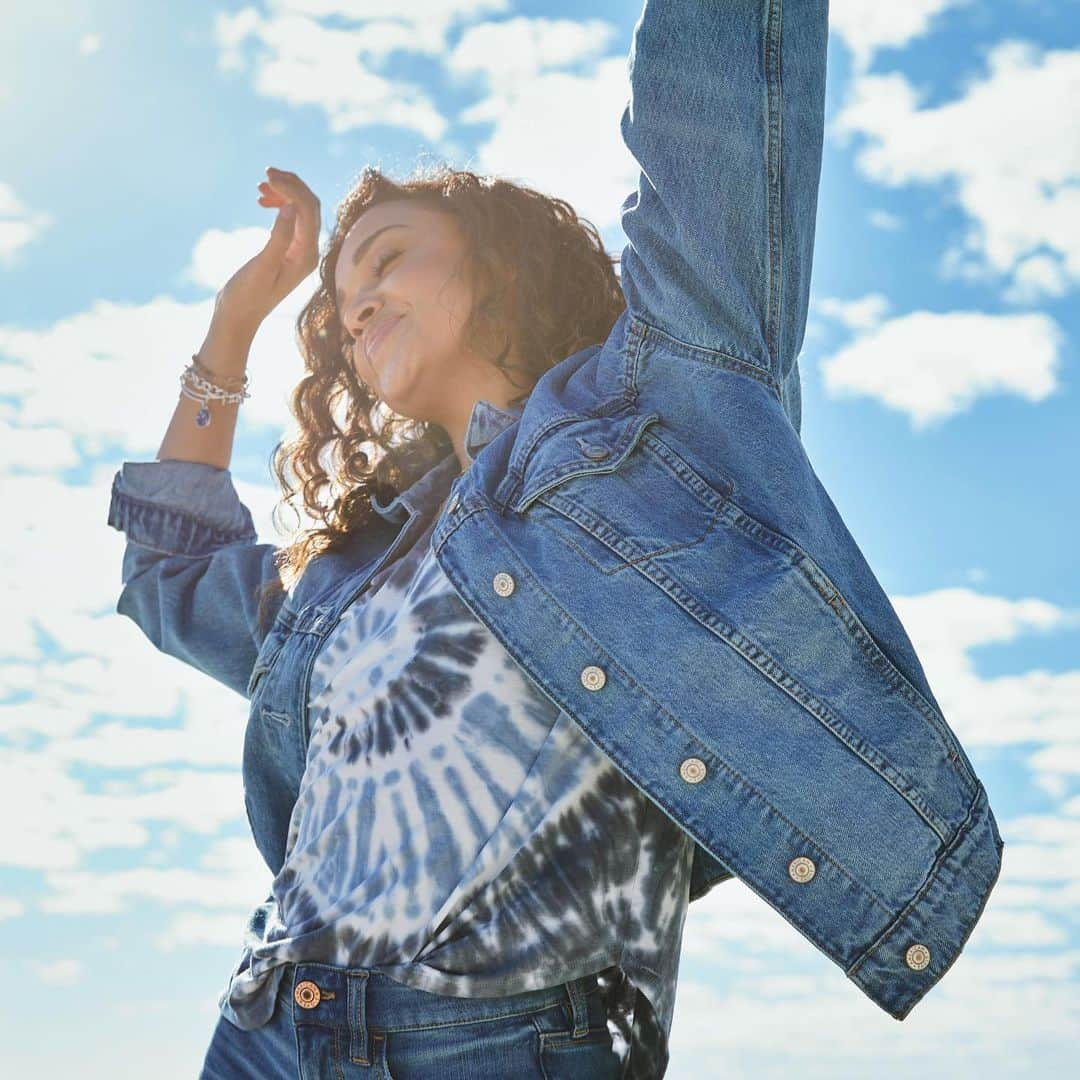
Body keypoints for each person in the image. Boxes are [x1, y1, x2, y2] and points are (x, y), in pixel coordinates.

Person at [108, 1, 1005, 1077]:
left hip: (507, 1041)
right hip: (265, 1028)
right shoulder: (349, 572)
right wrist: (238, 316)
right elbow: (170, 572)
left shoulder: (654, 419)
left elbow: (717, 108)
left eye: (388, 260)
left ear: (500, 266)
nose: (356, 307)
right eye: (343, 299)